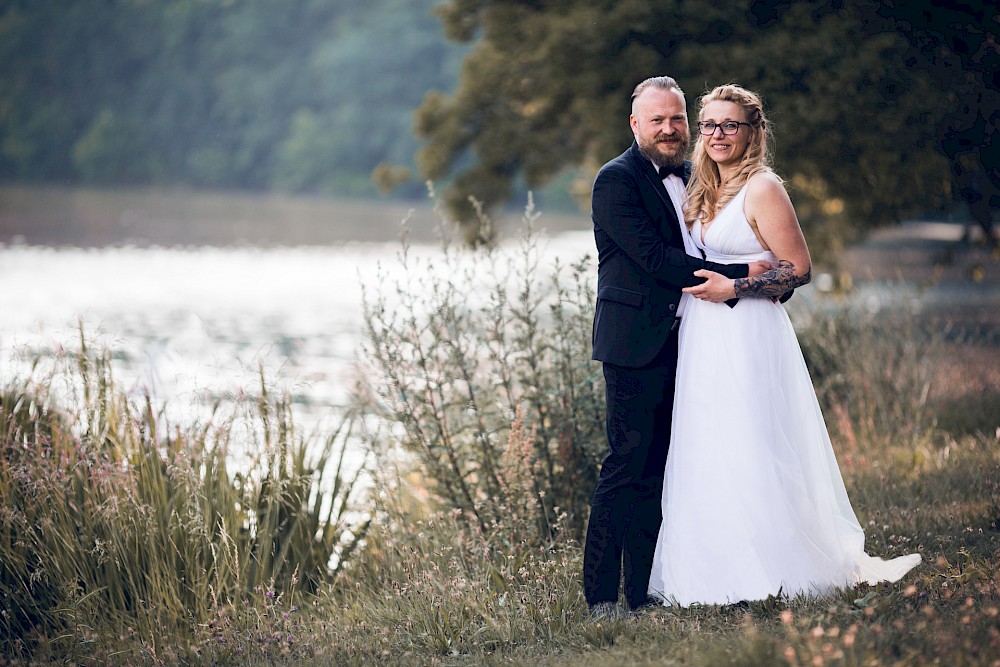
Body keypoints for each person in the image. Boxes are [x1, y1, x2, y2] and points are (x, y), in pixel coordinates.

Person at [647, 83, 921, 606]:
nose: (717, 135)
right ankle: (712, 573)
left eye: (731, 125)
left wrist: (736, 286)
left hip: (749, 333)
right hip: (703, 336)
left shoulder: (763, 187)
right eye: (709, 125)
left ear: (754, 132)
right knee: (709, 443)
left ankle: (774, 568)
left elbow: (799, 268)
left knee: (753, 439)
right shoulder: (699, 187)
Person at [583, 76, 773, 618]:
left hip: (689, 341)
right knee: (625, 464)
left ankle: (643, 591)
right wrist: (740, 272)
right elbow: (655, 259)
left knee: (664, 467)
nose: (670, 129)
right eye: (658, 119)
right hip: (633, 343)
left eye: (677, 119)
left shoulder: (693, 176)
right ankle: (600, 597)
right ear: (635, 124)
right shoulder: (614, 181)